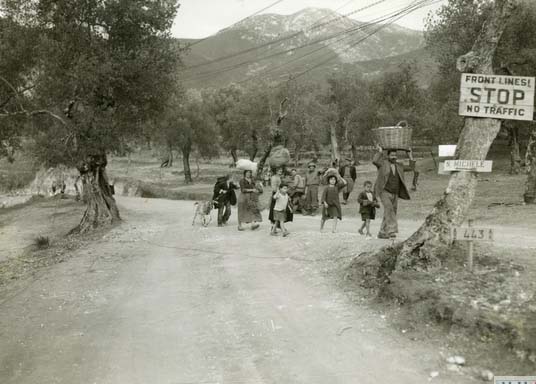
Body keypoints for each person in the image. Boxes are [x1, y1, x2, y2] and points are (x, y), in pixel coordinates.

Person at [372, 145, 411, 239]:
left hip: (395, 192)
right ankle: (391, 230)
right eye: (392, 155)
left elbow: (411, 167)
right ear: (388, 156)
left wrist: (410, 155)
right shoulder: (383, 163)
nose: (394, 156)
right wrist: (380, 152)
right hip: (384, 191)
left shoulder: (399, 166)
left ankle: (382, 232)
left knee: (391, 211)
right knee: (389, 209)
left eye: (395, 155)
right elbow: (375, 161)